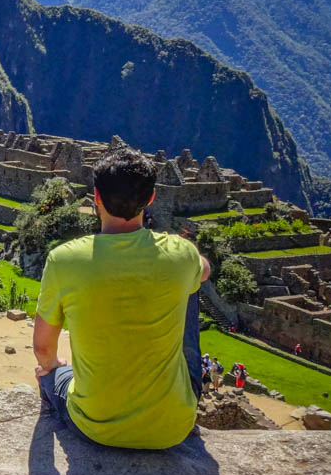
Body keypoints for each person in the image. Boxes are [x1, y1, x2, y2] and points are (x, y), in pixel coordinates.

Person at [33, 145, 211, 450]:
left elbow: (42, 348)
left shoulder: (65, 260)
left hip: (93, 427)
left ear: (97, 197)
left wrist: (54, 365)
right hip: (174, 427)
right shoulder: (180, 254)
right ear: (151, 198)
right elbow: (205, 269)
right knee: (191, 282)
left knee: (52, 374)